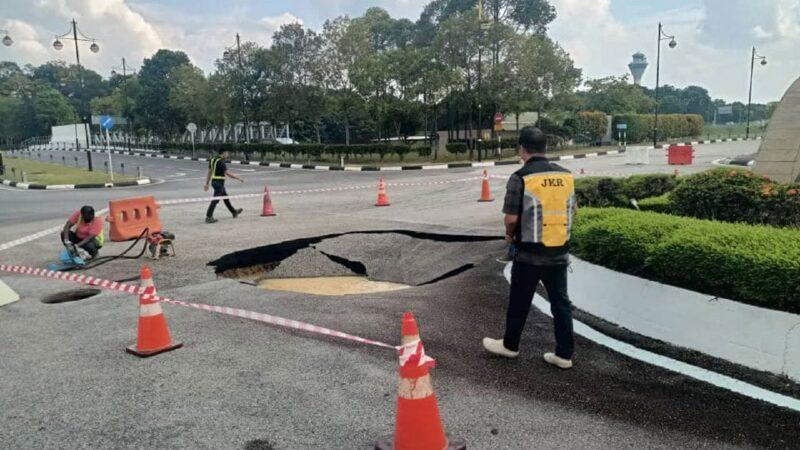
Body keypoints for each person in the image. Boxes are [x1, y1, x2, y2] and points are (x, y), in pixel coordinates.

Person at [483, 126, 578, 370]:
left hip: (529, 253)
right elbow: (574, 211)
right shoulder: (566, 176)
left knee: (519, 301)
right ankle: (564, 355)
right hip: (559, 251)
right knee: (561, 303)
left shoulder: (521, 177)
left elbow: (512, 218)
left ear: (521, 149)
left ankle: (510, 346)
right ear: (545, 148)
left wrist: (509, 236)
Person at [204, 150, 245, 223]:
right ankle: (208, 217)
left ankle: (233, 212)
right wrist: (238, 178)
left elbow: (209, 172)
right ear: (223, 153)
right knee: (215, 200)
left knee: (226, 198)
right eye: (227, 153)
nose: (227, 155)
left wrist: (207, 183)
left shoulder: (213, 159)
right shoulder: (221, 162)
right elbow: (228, 173)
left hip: (215, 182)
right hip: (219, 183)